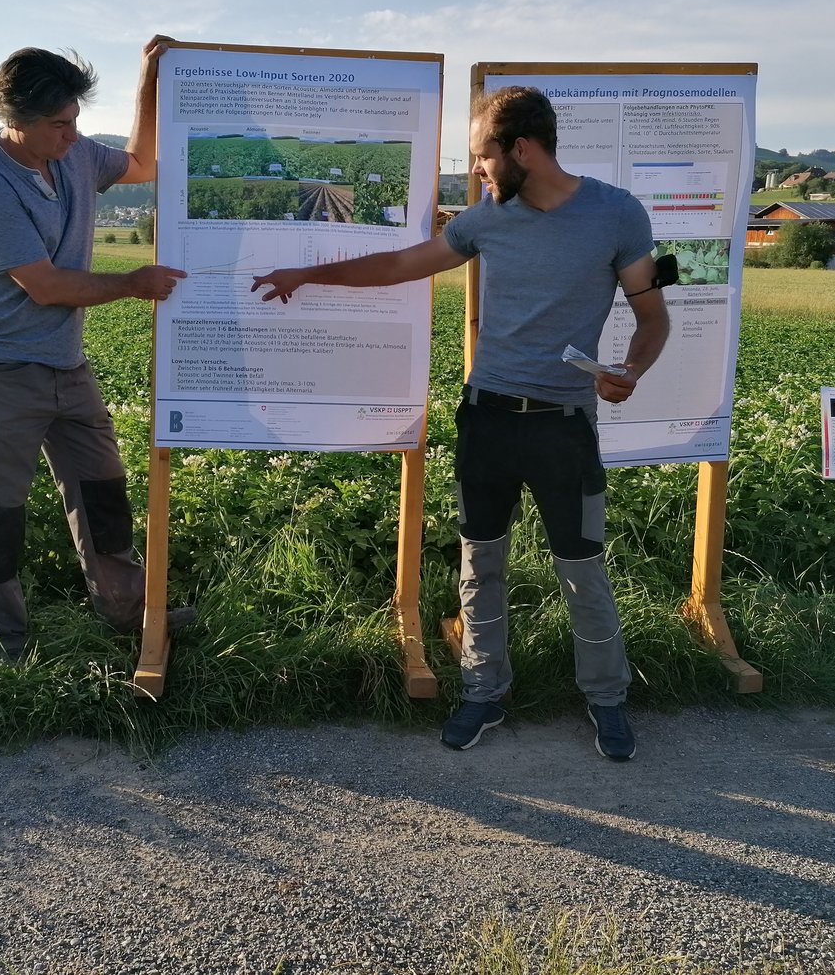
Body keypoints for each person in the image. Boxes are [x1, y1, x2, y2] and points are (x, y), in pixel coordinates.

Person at [251, 86, 669, 760]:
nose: (475, 169)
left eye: (482, 155)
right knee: (480, 563)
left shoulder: (617, 214)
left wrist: (633, 370)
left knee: (582, 567)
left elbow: (653, 318)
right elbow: (401, 265)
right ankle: (482, 691)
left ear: (521, 150)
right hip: (486, 420)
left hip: (565, 426)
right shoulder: (486, 220)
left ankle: (607, 699)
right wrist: (307, 274)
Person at [0, 38, 190, 660]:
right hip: (2, 367)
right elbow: (47, 286)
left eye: (75, 119)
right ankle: (3, 639)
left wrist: (149, 78)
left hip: (66, 363)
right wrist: (133, 283)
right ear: (17, 120)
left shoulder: (76, 155)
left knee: (102, 491)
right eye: (59, 124)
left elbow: (142, 162)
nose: (73, 134)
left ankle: (127, 612)